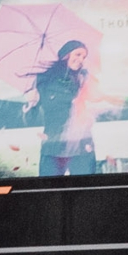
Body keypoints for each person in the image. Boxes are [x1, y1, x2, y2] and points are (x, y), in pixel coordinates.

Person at [32, 38, 100, 175]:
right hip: (53, 145)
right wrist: (31, 104)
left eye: (84, 57)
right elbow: (33, 116)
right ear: (65, 55)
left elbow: (95, 99)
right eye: (78, 54)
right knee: (48, 185)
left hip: (82, 145)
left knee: (86, 185)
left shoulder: (84, 77)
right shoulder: (44, 80)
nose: (81, 59)